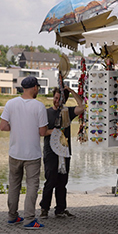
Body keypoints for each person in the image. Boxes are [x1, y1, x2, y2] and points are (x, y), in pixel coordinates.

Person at [0, 76, 48, 229]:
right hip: (32, 154)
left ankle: (12, 216)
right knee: (32, 185)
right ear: (34, 88)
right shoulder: (39, 106)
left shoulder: (10, 103)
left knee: (14, 184)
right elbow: (42, 132)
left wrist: (16, 128)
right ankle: (29, 220)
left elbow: (2, 126)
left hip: (15, 152)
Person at [39, 86, 85, 219]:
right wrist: (53, 132)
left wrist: (71, 91)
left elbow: (82, 107)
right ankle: (44, 208)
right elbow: (41, 132)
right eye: (55, 98)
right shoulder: (46, 113)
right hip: (50, 152)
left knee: (62, 182)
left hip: (64, 152)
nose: (57, 101)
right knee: (50, 180)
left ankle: (60, 209)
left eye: (59, 99)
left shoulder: (67, 112)